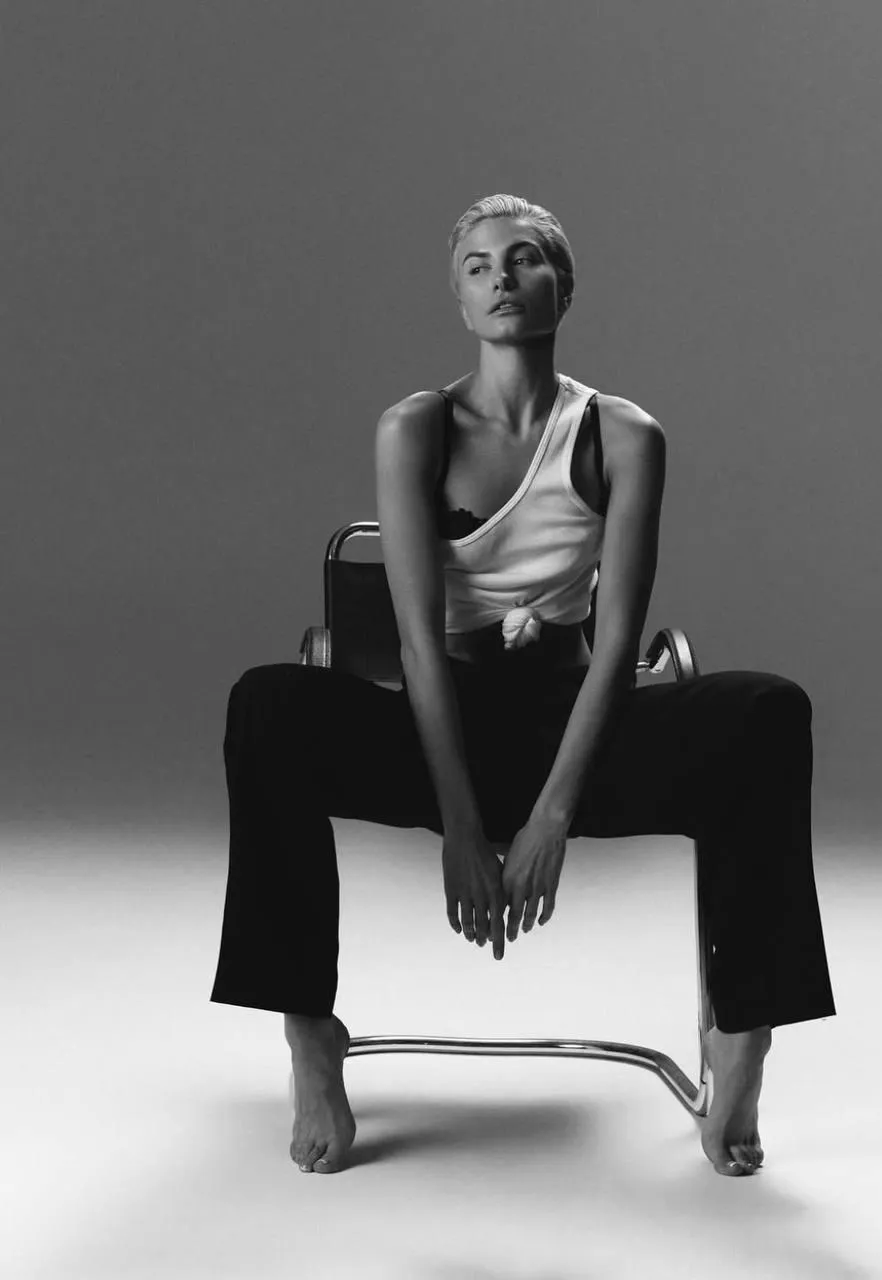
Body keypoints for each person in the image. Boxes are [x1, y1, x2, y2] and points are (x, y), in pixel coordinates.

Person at [210, 193, 836, 1180]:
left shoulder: (624, 436)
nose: (500, 276)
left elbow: (620, 638)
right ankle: (307, 1036)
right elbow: (414, 639)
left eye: (525, 257)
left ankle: (741, 1027)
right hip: (439, 731)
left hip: (572, 731)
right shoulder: (413, 429)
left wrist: (549, 817)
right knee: (266, 703)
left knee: (766, 712)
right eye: (476, 264)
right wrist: (462, 826)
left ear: (564, 285)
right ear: (459, 302)